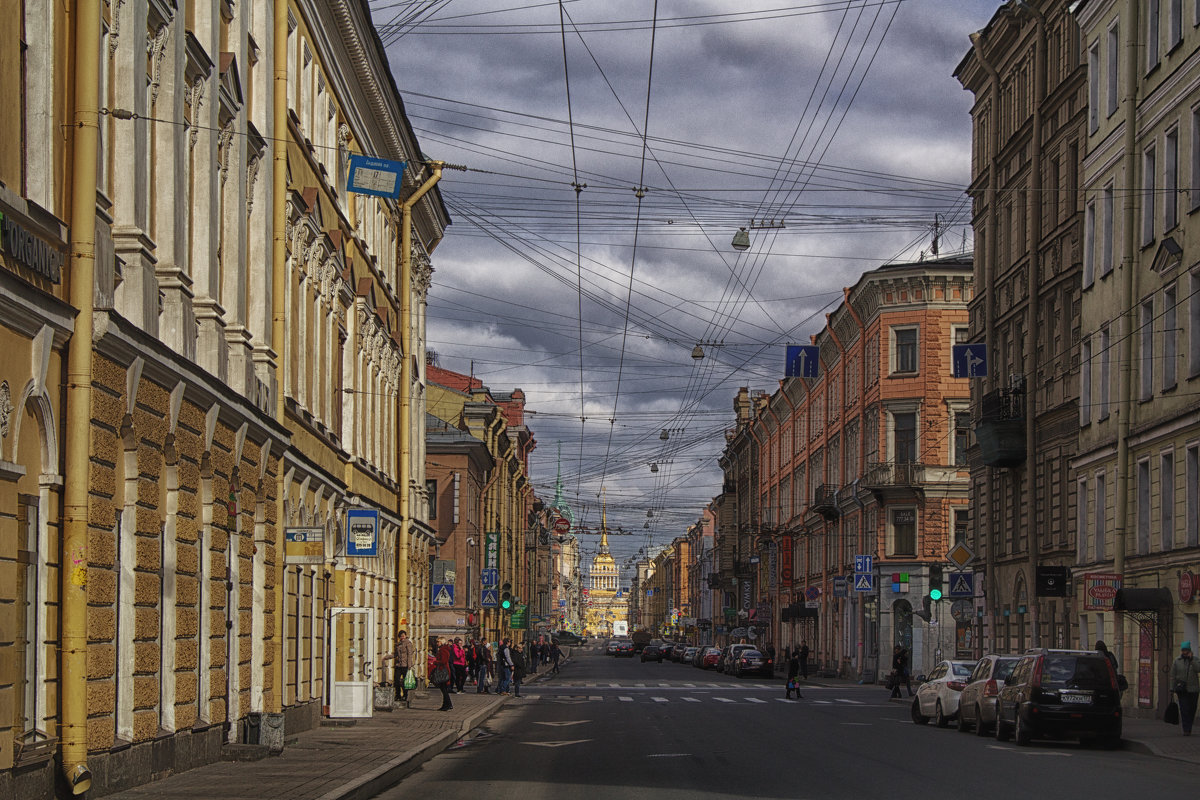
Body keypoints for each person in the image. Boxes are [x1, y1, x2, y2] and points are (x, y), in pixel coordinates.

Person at [1172, 641, 1200, 735]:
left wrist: (1191, 659)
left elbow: (1198, 669)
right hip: (1182, 689)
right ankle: (1186, 729)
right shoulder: (1177, 661)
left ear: (1190, 651)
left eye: (1186, 650)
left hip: (1193, 689)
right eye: (1183, 650)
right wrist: (1172, 688)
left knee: (1192, 708)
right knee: (1184, 709)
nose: (1185, 652)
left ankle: (1189, 725)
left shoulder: (1195, 660)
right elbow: (1173, 675)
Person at [382, 630, 415, 703]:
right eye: (400, 636)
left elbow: (410, 655)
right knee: (396, 680)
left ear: (405, 636)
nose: (402, 637)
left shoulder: (408, 643)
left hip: (406, 665)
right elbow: (395, 655)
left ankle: (405, 696)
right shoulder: (398, 644)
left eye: (403, 636)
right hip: (399, 665)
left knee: (405, 682)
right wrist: (386, 657)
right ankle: (398, 695)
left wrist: (409, 665)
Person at [433, 637, 455, 712]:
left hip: (443, 670)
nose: (437, 643)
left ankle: (447, 704)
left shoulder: (443, 650)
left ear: (442, 642)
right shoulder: (443, 649)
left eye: (438, 642)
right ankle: (446, 704)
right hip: (444, 670)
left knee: (444, 689)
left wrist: (436, 662)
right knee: (444, 689)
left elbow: (444, 661)